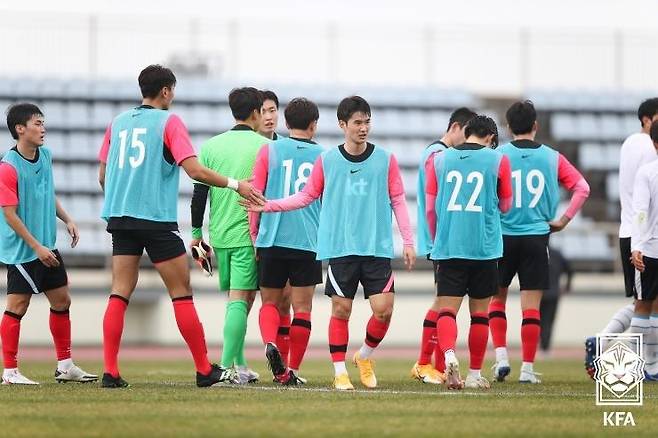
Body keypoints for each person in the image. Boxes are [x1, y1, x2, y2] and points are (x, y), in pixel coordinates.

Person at [98, 65, 263, 388]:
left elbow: (102, 176)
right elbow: (195, 171)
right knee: (181, 293)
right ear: (166, 91)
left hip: (120, 217)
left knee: (119, 292)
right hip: (156, 219)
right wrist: (235, 185)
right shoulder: (169, 122)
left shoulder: (117, 123)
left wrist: (123, 201)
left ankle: (110, 371)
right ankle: (204, 370)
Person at [244, 96, 415, 390]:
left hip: (376, 248)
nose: (363, 128)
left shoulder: (386, 159)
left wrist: (408, 241)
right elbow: (306, 196)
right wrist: (268, 206)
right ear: (342, 125)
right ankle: (339, 371)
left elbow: (398, 199)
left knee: (384, 310)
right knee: (340, 311)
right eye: (358, 122)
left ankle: (364, 356)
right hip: (340, 248)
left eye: (367, 121)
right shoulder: (327, 159)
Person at [490, 100, 589, 384]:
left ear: (508, 127)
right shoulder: (552, 157)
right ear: (536, 126)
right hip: (536, 237)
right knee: (531, 307)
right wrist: (564, 219)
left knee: (497, 300)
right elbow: (582, 188)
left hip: (503, 237)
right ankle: (528, 369)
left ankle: (500, 359)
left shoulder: (498, 155)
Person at [0, 103, 97, 385]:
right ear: (20, 129)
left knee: (62, 300)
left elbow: (47, 193)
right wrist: (36, 248)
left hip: (47, 245)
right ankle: (10, 372)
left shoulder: (46, 156)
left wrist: (67, 219)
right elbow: (9, 214)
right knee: (17, 305)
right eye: (37, 123)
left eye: (43, 123)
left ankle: (65, 366)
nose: (43, 129)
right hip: (24, 250)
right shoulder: (8, 167)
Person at [425, 115, 512, 390]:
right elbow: (507, 205)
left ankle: (449, 354)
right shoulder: (498, 160)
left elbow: (430, 208)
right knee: (479, 315)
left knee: (446, 311)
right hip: (484, 248)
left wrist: (438, 237)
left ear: (467, 132)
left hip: (449, 246)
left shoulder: (439, 159)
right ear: (490, 138)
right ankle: (474, 373)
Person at [190, 87, 267, 384]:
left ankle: (240, 363)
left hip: (219, 235)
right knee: (241, 298)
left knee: (237, 300)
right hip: (248, 234)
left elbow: (200, 192)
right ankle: (225, 368)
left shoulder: (211, 146)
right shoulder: (264, 147)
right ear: (256, 113)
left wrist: (196, 234)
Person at [251, 97, 324, 385]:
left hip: (272, 238)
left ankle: (271, 344)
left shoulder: (269, 150)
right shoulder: (324, 156)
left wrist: (256, 236)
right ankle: (292, 369)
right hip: (307, 241)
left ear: (286, 122)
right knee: (302, 309)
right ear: (313, 125)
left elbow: (254, 196)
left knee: (270, 303)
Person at [585, 97, 658, 378]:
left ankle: (603, 342)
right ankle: (638, 363)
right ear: (648, 120)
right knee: (645, 303)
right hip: (643, 236)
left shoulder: (629, 143)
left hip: (631, 230)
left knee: (646, 301)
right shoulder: (648, 151)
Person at [412, 107, 476, 385]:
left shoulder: (436, 154)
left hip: (439, 238)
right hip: (441, 239)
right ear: (457, 127)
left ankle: (430, 363)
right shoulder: (438, 155)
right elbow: (433, 204)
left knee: (443, 303)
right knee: (444, 305)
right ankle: (426, 363)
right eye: (468, 133)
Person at [257, 89, 293, 368]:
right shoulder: (254, 148)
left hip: (284, 234)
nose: (269, 117)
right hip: (256, 233)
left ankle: (280, 361)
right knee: (245, 300)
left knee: (284, 301)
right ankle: (236, 363)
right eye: (263, 111)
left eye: (272, 110)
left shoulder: (285, 147)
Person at [630, 120, 658, 380]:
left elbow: (640, 212)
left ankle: (636, 365)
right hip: (650, 248)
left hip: (649, 248)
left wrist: (636, 246)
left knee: (643, 305)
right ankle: (652, 366)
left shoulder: (647, 172)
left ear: (653, 142)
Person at [540, 247, 573, 355]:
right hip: (553, 293)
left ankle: (542, 346)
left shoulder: (536, 251)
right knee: (548, 321)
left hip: (537, 293)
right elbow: (570, 270)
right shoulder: (557, 254)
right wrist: (567, 286)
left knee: (535, 320)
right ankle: (545, 347)